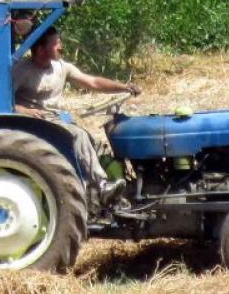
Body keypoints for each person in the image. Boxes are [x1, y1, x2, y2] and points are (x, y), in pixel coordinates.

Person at [12, 25, 141, 205]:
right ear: (40, 49)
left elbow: (93, 82)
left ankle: (113, 192)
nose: (61, 46)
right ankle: (102, 185)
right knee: (79, 135)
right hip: (36, 124)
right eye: (56, 43)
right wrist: (24, 110)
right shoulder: (22, 70)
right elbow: (3, 102)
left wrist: (124, 87)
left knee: (93, 142)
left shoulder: (61, 67)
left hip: (55, 120)